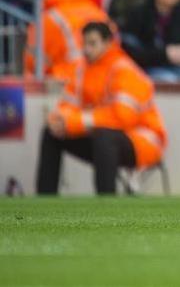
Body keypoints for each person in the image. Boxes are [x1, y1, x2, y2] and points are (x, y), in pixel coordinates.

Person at [36, 21, 167, 195]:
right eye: (85, 43)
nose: (87, 49)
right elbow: (67, 106)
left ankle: (106, 202)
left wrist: (78, 121)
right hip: (102, 138)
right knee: (52, 133)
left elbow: (122, 118)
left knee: (104, 136)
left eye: (93, 43)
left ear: (108, 43)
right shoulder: (82, 70)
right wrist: (59, 120)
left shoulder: (124, 70)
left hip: (141, 141)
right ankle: (45, 200)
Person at [24, 0, 112, 81]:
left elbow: (32, 63)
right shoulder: (98, 12)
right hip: (105, 79)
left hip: (66, 83)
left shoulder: (48, 19)